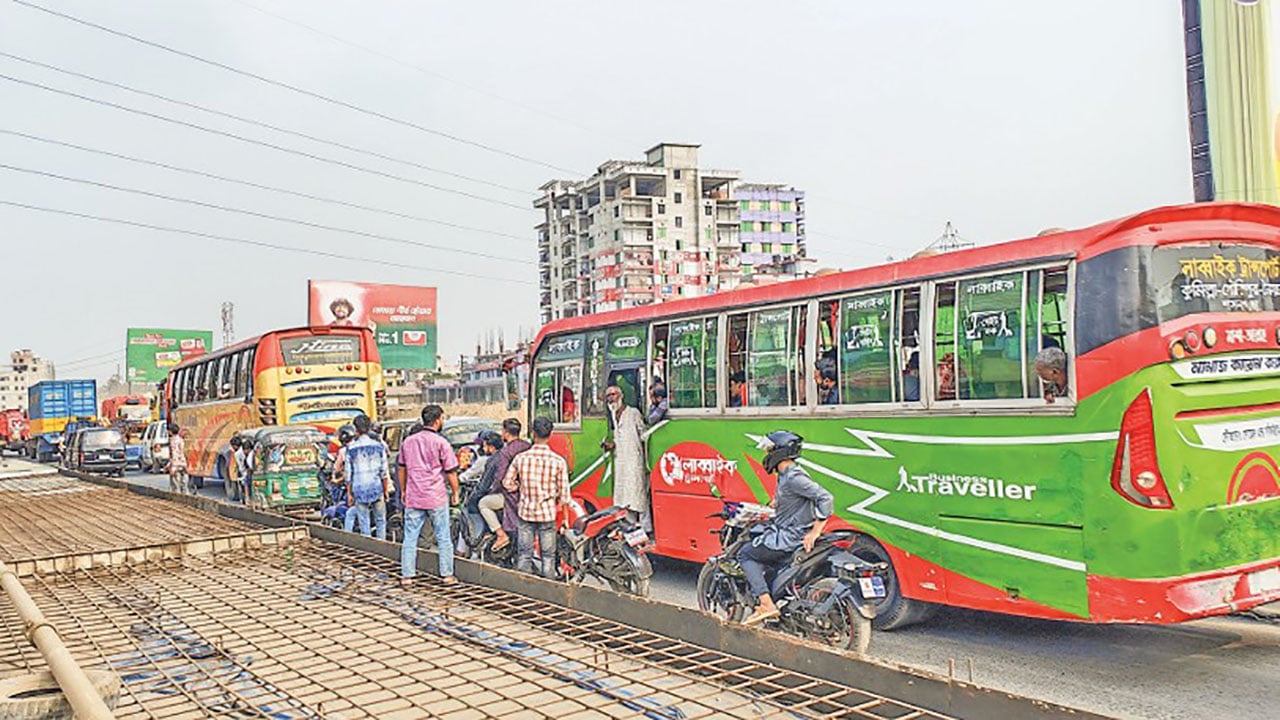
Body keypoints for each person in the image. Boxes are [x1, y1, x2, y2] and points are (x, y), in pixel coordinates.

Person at [737, 430, 834, 626]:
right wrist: (777, 503)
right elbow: (796, 498)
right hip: (788, 531)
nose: (766, 455)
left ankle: (766, 605)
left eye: (769, 450)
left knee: (746, 554)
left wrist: (815, 531)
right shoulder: (786, 475)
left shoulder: (793, 477)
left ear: (779, 452)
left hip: (788, 537)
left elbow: (825, 498)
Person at [397, 405, 460, 586]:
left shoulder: (408, 442)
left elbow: (402, 469)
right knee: (443, 536)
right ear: (438, 420)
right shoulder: (441, 443)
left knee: (410, 537)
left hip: (414, 496)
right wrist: (455, 493)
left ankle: (407, 576)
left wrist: (403, 490)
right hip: (436, 497)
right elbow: (451, 472)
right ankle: (447, 575)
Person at [502, 417, 572, 577]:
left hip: (525, 512)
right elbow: (564, 495)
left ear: (533, 434)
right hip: (547, 515)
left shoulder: (521, 458)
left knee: (524, 554)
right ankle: (548, 592)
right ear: (550, 435)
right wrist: (566, 519)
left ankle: (524, 590)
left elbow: (507, 483)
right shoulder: (558, 461)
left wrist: (519, 487)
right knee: (548, 556)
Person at [603, 385, 650, 532]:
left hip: (634, 459)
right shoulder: (613, 414)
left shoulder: (633, 413)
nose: (611, 398)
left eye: (613, 394)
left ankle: (645, 527)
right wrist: (612, 445)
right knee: (625, 496)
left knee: (638, 494)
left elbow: (644, 434)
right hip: (621, 459)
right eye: (609, 396)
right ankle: (631, 529)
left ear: (621, 395)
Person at [338, 414, 391, 540]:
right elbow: (383, 472)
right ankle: (381, 546)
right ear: (369, 428)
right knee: (380, 521)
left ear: (356, 430)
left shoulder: (351, 449)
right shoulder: (379, 446)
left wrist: (350, 494)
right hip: (376, 488)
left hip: (359, 490)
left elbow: (348, 475)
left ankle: (369, 549)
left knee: (364, 522)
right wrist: (385, 491)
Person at [485, 418, 530, 552]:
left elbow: (501, 477)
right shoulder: (527, 446)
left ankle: (501, 535)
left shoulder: (506, 452)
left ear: (505, 432)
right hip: (528, 493)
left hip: (512, 496)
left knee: (483, 503)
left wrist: (492, 490)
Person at [167, 422, 189, 494]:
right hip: (183, 463)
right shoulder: (181, 439)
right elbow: (182, 452)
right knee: (184, 484)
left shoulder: (172, 441)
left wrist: (172, 466)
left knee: (176, 485)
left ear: (170, 431)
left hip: (176, 464)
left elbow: (174, 454)